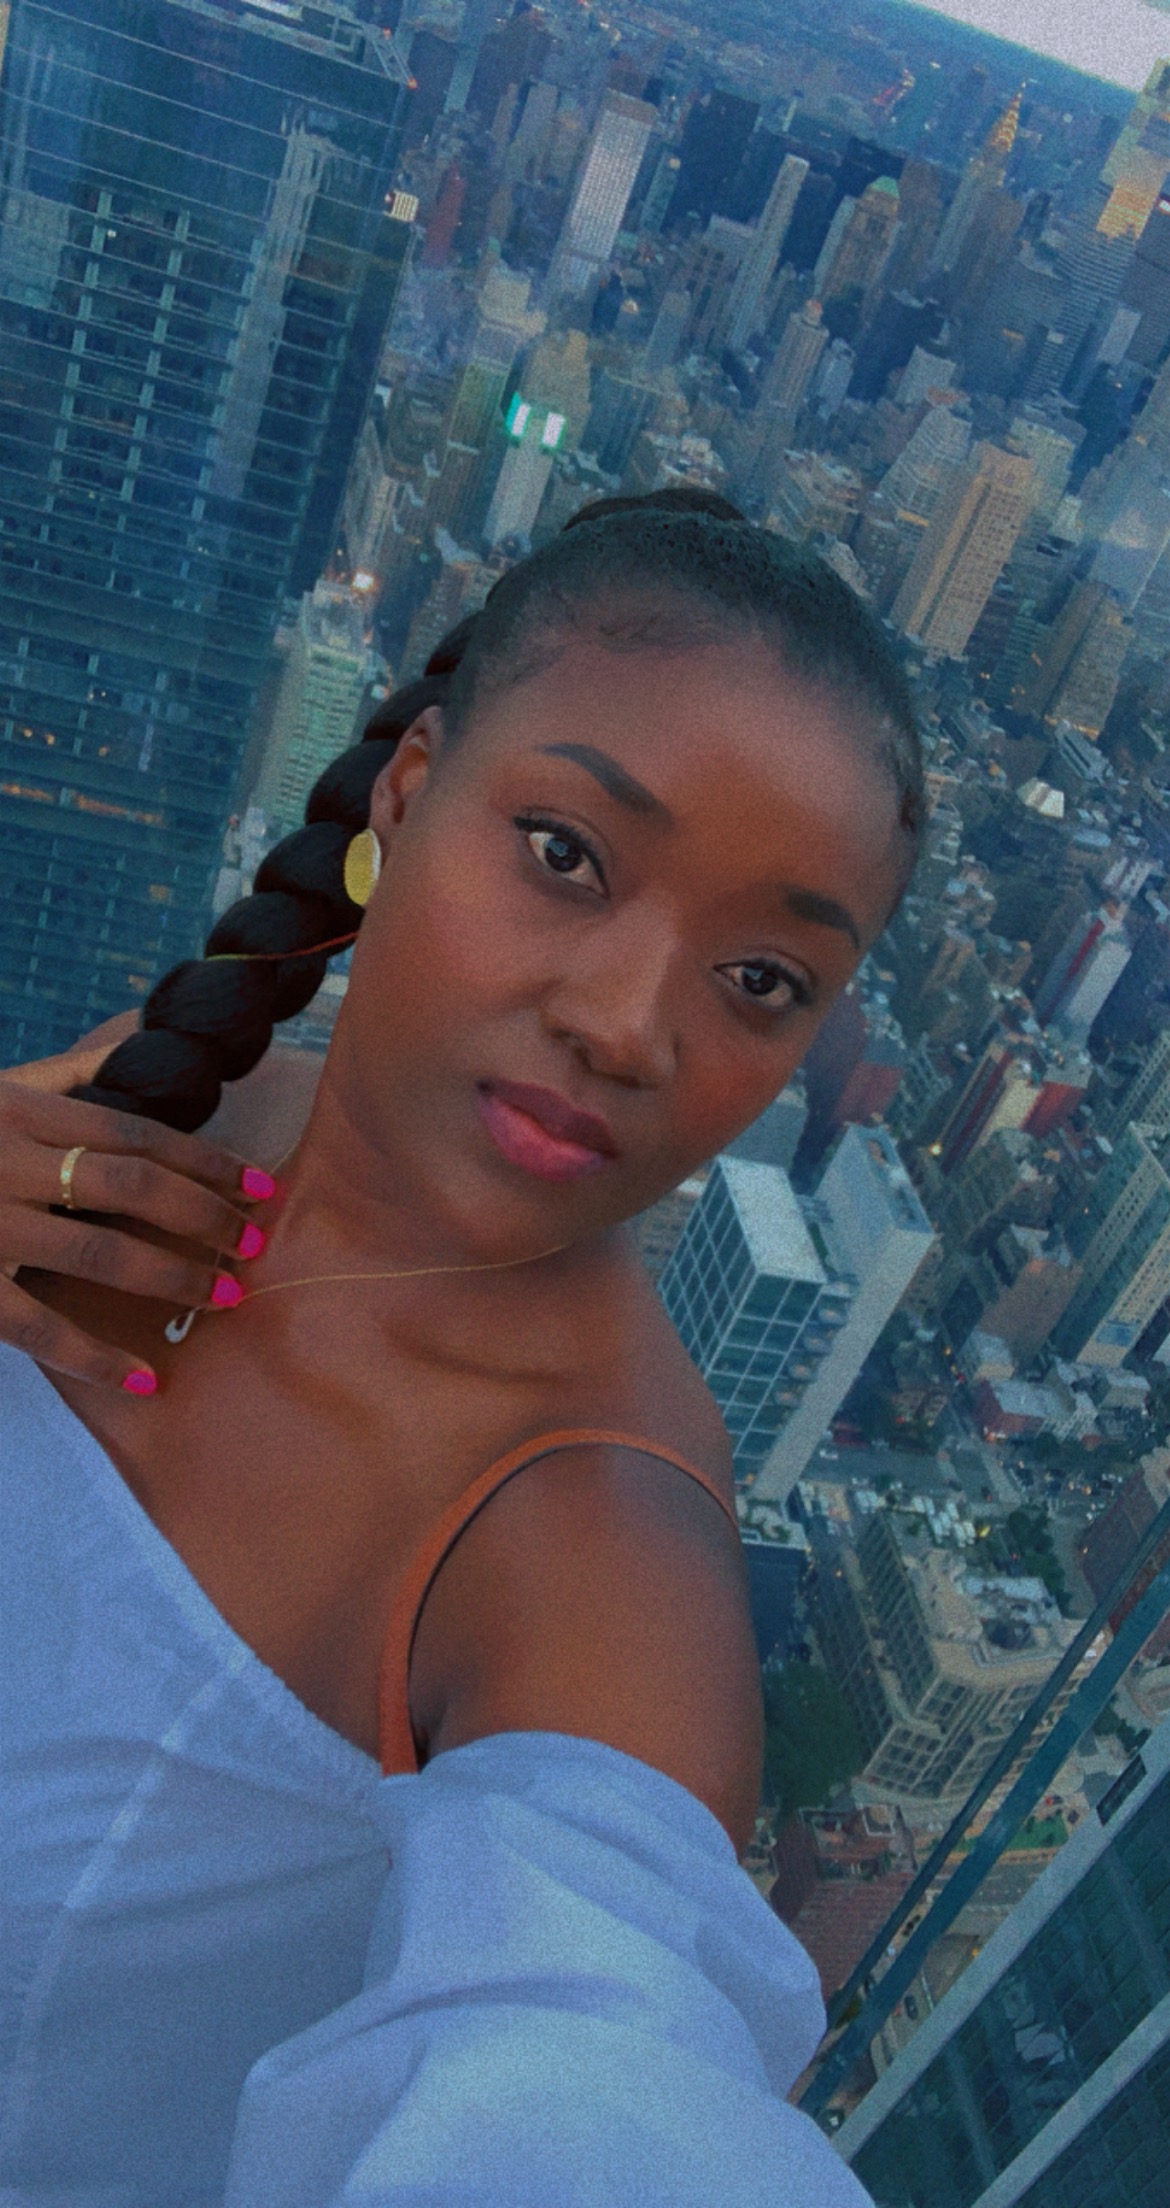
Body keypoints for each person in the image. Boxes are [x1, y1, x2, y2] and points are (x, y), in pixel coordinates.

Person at [0, 496, 920, 2205]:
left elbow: (590, 2076)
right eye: (565, 853)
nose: (625, 1025)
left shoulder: (593, 1556)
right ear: (407, 793)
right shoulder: (168, 1100)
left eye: (759, 979)